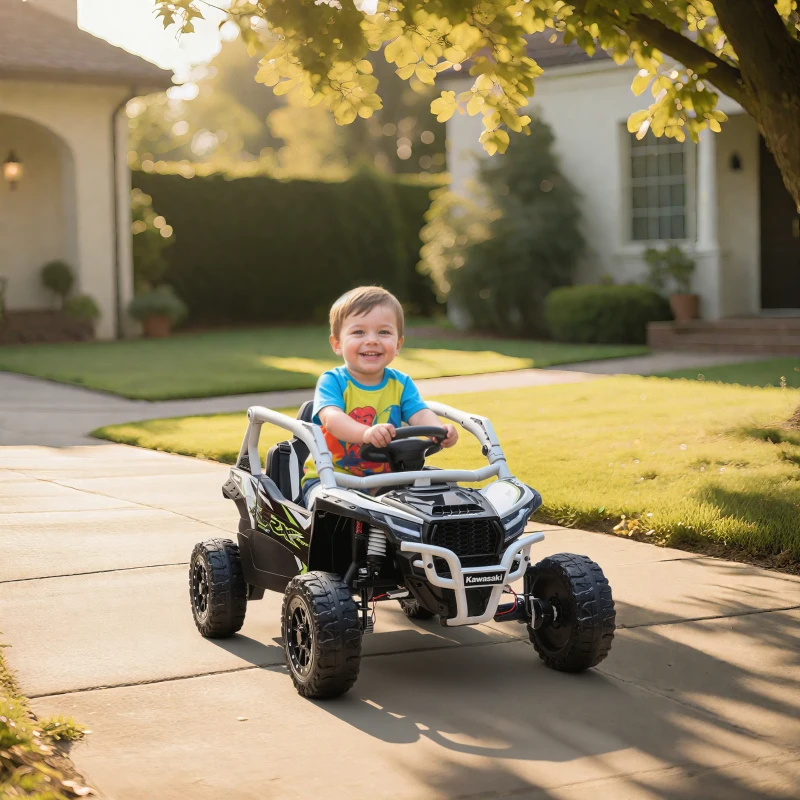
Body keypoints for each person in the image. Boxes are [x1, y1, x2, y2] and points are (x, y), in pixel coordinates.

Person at [302, 286, 458, 507]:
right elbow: (332, 419)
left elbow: (419, 413)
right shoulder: (333, 381)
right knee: (338, 509)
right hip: (332, 480)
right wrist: (366, 433)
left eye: (383, 332)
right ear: (337, 344)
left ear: (398, 344)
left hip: (387, 480)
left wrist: (439, 430)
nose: (372, 340)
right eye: (359, 332)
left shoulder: (401, 383)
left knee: (437, 498)